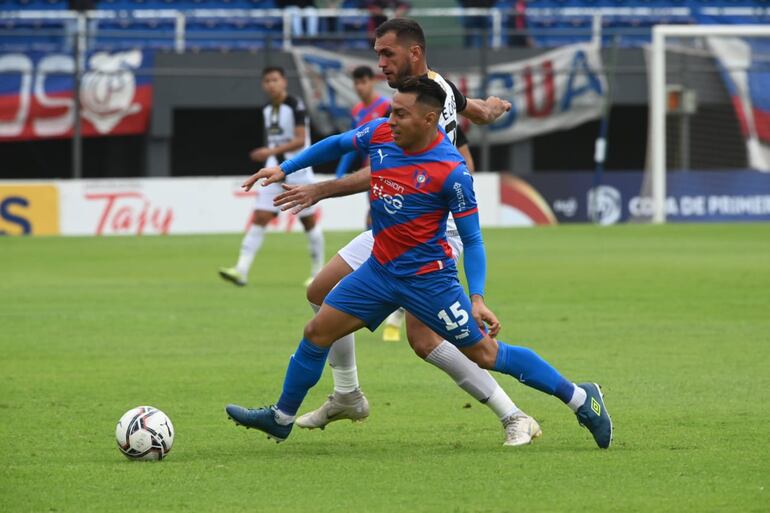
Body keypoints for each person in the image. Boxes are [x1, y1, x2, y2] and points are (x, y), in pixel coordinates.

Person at [225, 77, 613, 449]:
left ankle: (582, 398)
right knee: (316, 332)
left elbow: (474, 239)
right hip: (379, 271)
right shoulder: (381, 134)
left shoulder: (452, 172)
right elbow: (339, 143)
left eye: (400, 115)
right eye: (391, 112)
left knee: (487, 354)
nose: (390, 121)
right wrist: (285, 169)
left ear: (429, 120)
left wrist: (477, 297)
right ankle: (281, 417)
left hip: (429, 282)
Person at [276, 18, 531, 446]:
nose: (380, 64)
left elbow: (384, 170)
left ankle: (513, 415)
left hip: (431, 227)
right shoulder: (436, 91)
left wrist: (320, 189)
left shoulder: (423, 101)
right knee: (320, 292)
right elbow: (479, 113)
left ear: (413, 52)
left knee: (424, 338)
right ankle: (346, 394)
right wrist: (494, 105)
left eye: (386, 54)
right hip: (394, 225)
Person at [219, 66, 324, 287]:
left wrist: (269, 152)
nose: (271, 84)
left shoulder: (295, 105)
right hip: (274, 171)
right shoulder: (267, 109)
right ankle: (241, 270)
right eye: (267, 81)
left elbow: (300, 140)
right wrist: (270, 154)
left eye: (275, 80)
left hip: (298, 171)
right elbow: (277, 141)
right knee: (259, 217)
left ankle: (318, 273)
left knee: (308, 222)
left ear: (284, 82)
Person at [335, 65, 391, 179]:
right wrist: (339, 173)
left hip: (387, 170)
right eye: (356, 83)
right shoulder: (356, 111)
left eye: (363, 82)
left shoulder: (387, 107)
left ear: (373, 81)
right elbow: (353, 143)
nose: (360, 87)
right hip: (368, 173)